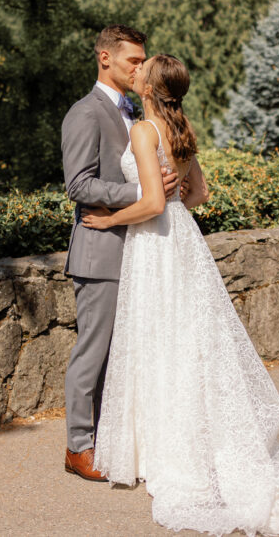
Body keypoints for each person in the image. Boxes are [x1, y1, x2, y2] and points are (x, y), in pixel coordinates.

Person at [81, 54, 279, 535]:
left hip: (154, 244)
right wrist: (170, 201)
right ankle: (194, 440)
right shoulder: (181, 129)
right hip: (183, 238)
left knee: (158, 341)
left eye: (142, 69)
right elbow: (198, 195)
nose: (136, 71)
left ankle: (163, 452)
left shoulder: (144, 131)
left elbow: (151, 202)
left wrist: (110, 220)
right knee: (189, 341)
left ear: (148, 88)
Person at [60, 26, 181, 481]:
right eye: (133, 61)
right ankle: (78, 448)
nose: (140, 68)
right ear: (105, 58)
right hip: (100, 250)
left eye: (143, 61)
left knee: (125, 356)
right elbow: (78, 185)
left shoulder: (137, 112)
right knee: (93, 354)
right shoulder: (84, 113)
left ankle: (116, 442)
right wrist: (142, 191)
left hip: (139, 250)